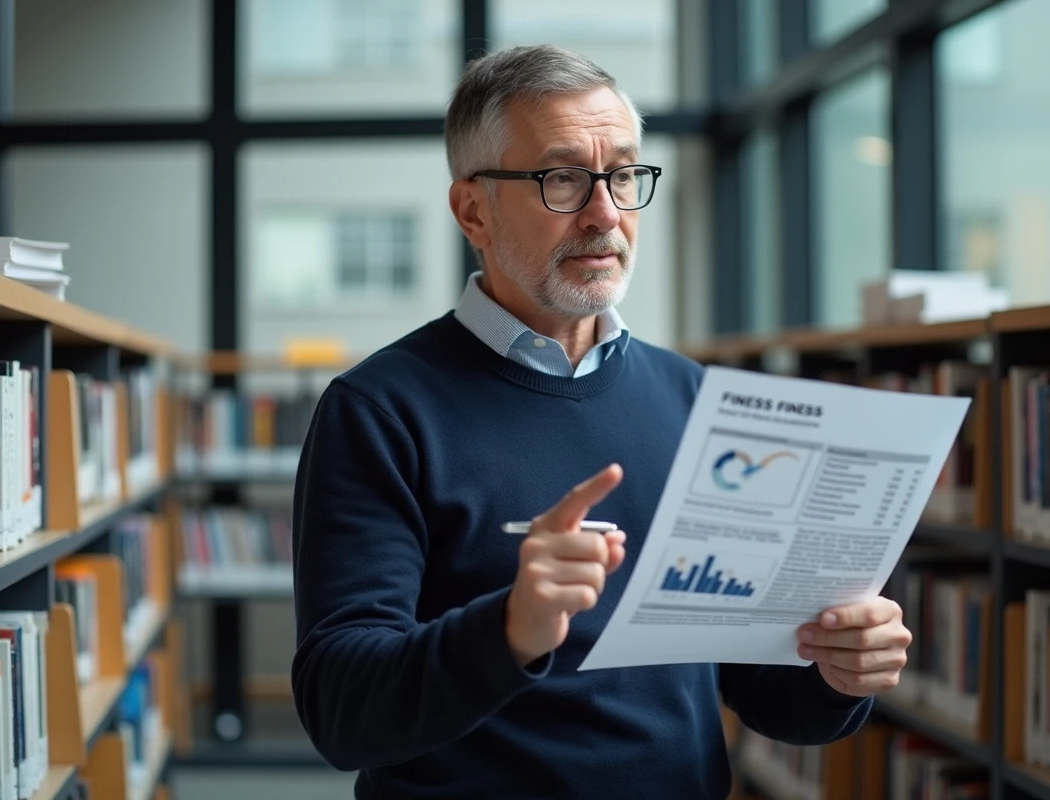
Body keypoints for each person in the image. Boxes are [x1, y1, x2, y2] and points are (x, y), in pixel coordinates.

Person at [291, 44, 912, 799]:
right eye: (561, 179)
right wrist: (510, 629)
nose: (606, 214)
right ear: (473, 211)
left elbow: (759, 692)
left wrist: (835, 673)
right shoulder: (380, 411)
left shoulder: (694, 398)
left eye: (622, 174)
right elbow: (341, 713)